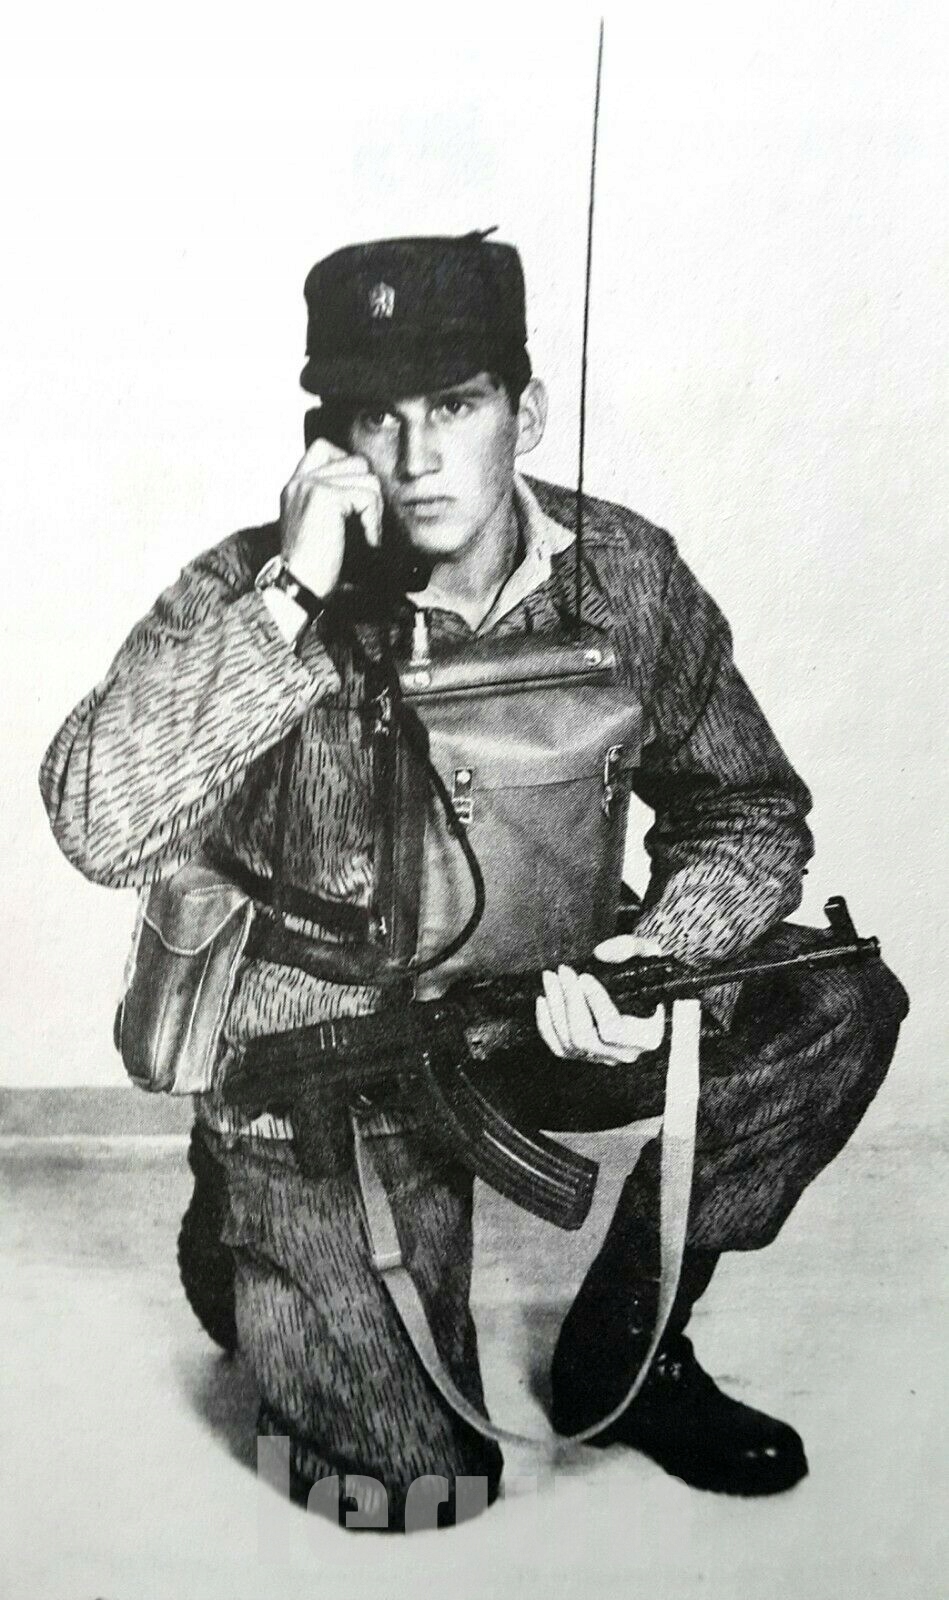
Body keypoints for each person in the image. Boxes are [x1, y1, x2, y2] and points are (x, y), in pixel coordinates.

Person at [39, 231, 908, 1531]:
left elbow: (745, 808)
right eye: (374, 418)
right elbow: (95, 821)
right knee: (411, 1490)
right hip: (330, 1047)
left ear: (525, 411)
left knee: (834, 1005)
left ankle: (631, 1340)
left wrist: (654, 959)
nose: (415, 456)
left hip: (549, 995)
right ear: (325, 439)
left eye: (453, 406)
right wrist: (290, 601)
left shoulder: (627, 576)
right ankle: (246, 1216)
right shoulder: (248, 586)